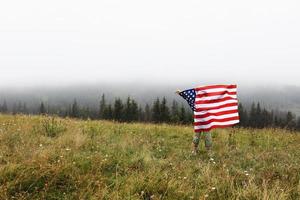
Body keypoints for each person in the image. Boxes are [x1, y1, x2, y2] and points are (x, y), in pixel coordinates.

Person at [176, 89, 213, 155]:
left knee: (208, 137)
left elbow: (217, 99)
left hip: (206, 122)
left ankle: (209, 151)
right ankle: (194, 149)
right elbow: (187, 96)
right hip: (198, 122)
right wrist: (180, 93)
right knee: (196, 136)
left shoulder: (208, 101)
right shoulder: (195, 100)